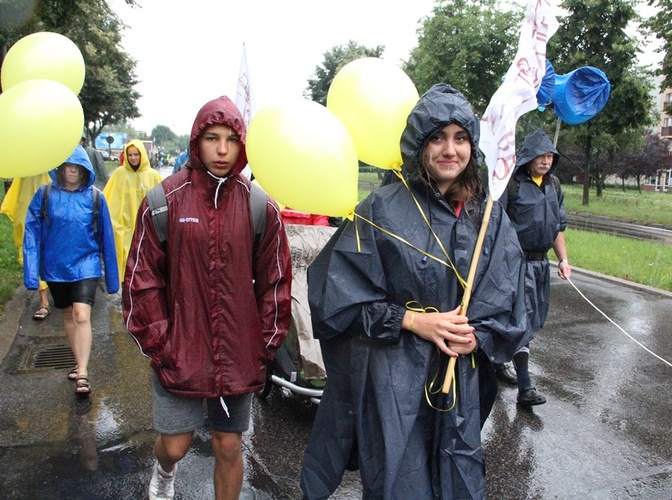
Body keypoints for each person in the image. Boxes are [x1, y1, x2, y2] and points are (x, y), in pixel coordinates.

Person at [299, 84, 529, 499]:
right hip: (393, 381)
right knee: (399, 483)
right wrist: (411, 321)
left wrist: (478, 335)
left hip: (458, 381)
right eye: (437, 137)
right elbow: (335, 296)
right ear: (419, 144)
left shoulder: (488, 217)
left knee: (456, 479)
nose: (449, 150)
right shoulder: (382, 208)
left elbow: (512, 301)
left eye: (460, 138)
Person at [122, 96, 292, 500]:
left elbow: (276, 282)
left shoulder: (259, 207)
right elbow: (141, 283)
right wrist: (162, 346)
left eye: (231, 140)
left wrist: (264, 345)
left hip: (237, 352)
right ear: (196, 141)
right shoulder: (164, 202)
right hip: (180, 349)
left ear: (242, 145)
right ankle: (163, 472)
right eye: (212, 138)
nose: (221, 149)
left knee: (229, 446)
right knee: (175, 445)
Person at [23, 145, 119, 396]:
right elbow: (31, 234)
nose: (72, 170)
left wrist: (112, 280)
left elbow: (107, 238)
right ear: (60, 169)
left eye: (77, 166)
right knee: (68, 315)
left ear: (85, 168)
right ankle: (79, 363)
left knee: (82, 315)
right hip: (55, 267)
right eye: (68, 165)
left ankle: (83, 372)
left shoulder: (95, 197)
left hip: (86, 265)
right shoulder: (44, 195)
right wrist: (32, 274)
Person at [496, 128, 572, 406]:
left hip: (541, 265)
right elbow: (495, 225)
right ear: (528, 157)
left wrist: (563, 259)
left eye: (550, 155)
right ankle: (525, 388)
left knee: (532, 319)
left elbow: (558, 228)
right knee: (521, 320)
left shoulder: (555, 186)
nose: (546, 160)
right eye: (541, 155)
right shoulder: (512, 184)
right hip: (515, 264)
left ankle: (497, 362)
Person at [103, 138, 163, 284]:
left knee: (145, 263)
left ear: (142, 154)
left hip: (146, 228)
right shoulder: (119, 174)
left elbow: (162, 201)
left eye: (136, 154)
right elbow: (108, 198)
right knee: (124, 262)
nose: (133, 158)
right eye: (130, 155)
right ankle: (125, 293)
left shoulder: (152, 175)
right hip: (123, 228)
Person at [1, 173, 53, 320]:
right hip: (31, 208)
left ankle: (64, 295)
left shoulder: (61, 162)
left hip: (56, 210)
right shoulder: (28, 168)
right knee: (34, 253)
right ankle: (44, 302)